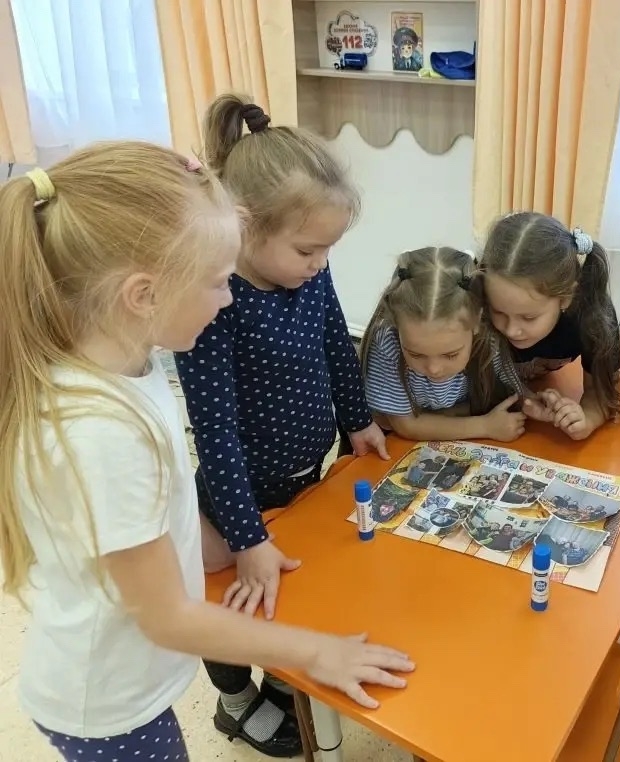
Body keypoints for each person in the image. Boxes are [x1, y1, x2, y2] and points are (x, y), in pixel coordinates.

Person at [0, 142, 413, 762]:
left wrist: (200, 537)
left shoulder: (130, 369)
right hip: (109, 707)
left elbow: (148, 501)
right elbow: (168, 617)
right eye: (219, 282)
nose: (228, 300)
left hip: (132, 681)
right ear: (144, 295)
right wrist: (315, 651)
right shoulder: (100, 433)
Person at [174, 94, 389, 757]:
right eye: (306, 249)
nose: (319, 262)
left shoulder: (310, 276)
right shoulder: (213, 302)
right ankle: (235, 700)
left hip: (305, 474)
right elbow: (215, 434)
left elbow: (335, 344)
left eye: (327, 249)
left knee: (292, 591)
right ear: (243, 229)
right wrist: (246, 537)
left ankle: (277, 681)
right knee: (233, 599)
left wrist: (357, 421)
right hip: (238, 497)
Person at [480, 212, 620, 440]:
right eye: (498, 312)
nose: (511, 330)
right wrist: (523, 398)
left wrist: (587, 419)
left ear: (566, 298)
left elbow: (602, 390)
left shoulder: (593, 316)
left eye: (528, 317)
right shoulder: (474, 308)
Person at [361, 246, 526, 442]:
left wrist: (537, 403)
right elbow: (405, 425)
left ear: (477, 321)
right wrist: (484, 426)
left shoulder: (488, 338)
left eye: (450, 355)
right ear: (395, 325)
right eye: (416, 354)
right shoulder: (386, 342)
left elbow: (512, 394)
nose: (434, 369)